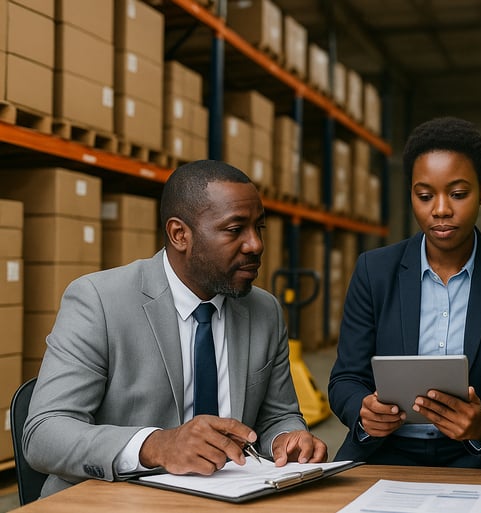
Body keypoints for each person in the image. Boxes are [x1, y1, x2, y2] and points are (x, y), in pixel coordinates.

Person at [23, 160, 327, 497]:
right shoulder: (100, 301)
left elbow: (278, 417)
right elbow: (43, 434)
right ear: (179, 234)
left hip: (234, 497)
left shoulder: (264, 310)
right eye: (234, 229)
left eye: (259, 228)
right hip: (116, 500)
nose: (255, 245)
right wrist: (157, 446)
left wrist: (287, 439)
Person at [329, 116, 481, 469]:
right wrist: (365, 412)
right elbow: (346, 378)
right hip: (386, 451)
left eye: (458, 194)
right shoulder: (374, 271)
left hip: (480, 456)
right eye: (425, 195)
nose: (441, 209)